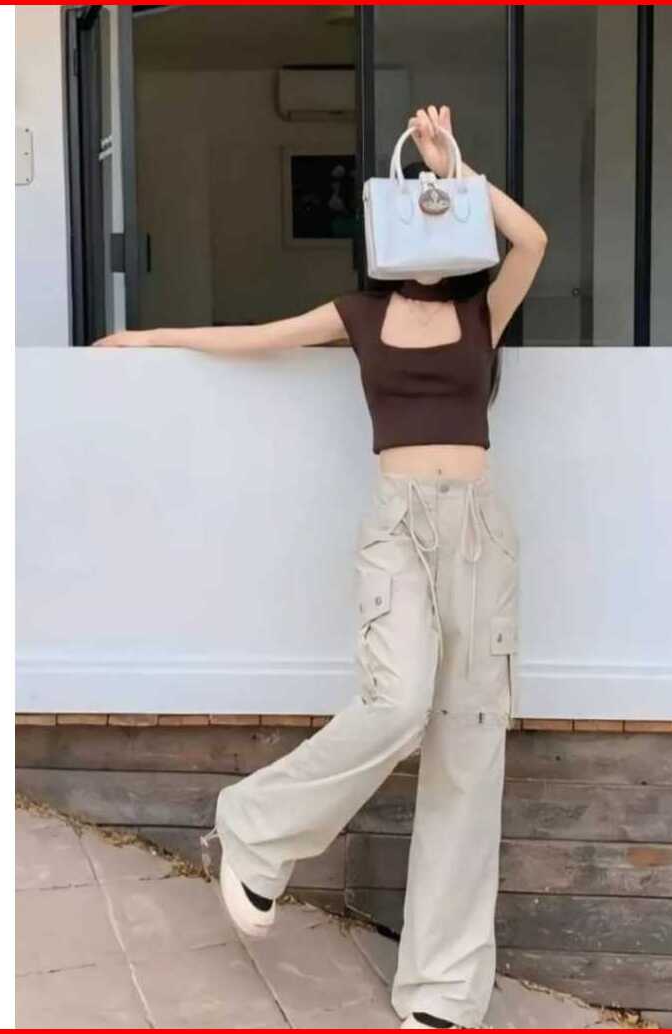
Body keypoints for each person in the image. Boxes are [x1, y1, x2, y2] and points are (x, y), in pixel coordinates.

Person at [95, 104, 548, 1030]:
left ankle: (442, 990)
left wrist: (455, 172)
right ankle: (255, 830)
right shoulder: (360, 315)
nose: (429, 219)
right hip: (399, 526)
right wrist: (146, 338)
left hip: (479, 532)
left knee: (469, 753)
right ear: (381, 233)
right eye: (414, 207)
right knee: (397, 702)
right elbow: (257, 337)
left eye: (442, 211)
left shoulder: (482, 312)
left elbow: (533, 240)